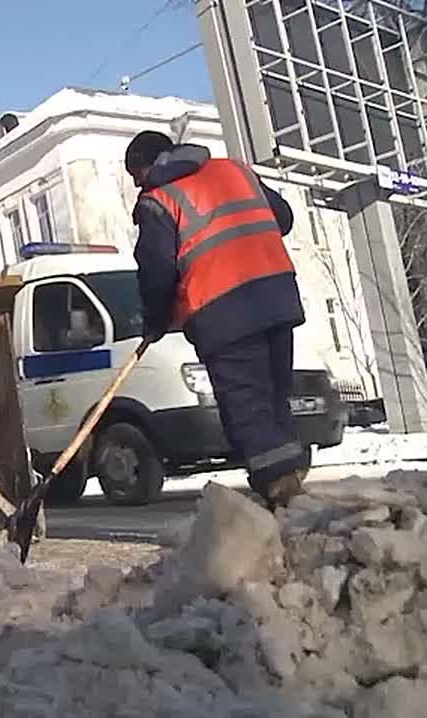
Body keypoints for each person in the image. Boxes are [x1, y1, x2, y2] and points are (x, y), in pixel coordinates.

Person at [125, 130, 309, 509]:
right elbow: (284, 217)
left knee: (247, 408)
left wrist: (156, 320)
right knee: (274, 401)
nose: (137, 184)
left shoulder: (158, 200)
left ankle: (284, 496)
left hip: (223, 310)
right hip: (276, 296)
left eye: (135, 175)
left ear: (147, 165)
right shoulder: (234, 171)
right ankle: (294, 491)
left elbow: (156, 271)